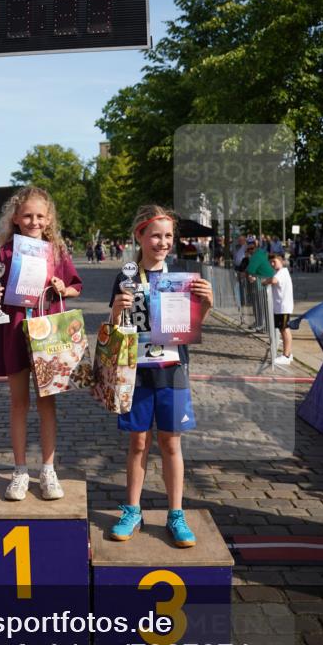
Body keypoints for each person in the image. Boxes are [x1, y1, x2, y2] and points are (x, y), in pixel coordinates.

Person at [108, 205, 213, 546]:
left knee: (170, 442)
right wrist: (115, 311)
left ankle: (176, 514)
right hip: (136, 371)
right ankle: (132, 509)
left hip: (173, 369)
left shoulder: (182, 275)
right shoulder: (125, 277)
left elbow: (189, 326)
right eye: (155, 235)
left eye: (168, 235)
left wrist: (206, 306)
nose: (163, 242)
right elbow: (115, 330)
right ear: (139, 235)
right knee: (138, 442)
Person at [0, 186, 82, 501]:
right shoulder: (4, 252)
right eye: (27, 215)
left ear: (49, 218)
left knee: (47, 404)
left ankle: (49, 470)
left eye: (40, 216)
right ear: (15, 217)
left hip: (48, 333)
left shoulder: (56, 251)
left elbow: (75, 286)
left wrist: (62, 288)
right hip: (13, 332)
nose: (34, 221)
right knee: (18, 404)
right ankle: (20, 470)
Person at [262, 253, 294, 365]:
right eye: (270, 262)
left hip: (283, 306)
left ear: (281, 261)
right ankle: (288, 354)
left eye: (274, 261)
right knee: (282, 329)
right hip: (280, 306)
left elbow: (274, 281)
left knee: (285, 329)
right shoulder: (280, 272)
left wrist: (265, 282)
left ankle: (287, 355)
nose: (272, 264)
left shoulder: (282, 272)